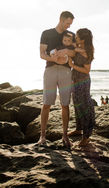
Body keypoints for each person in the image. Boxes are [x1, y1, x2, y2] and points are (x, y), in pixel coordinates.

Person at [38, 11, 75, 147]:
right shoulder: (46, 33)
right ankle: (42, 136)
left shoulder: (71, 35)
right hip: (50, 70)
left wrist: (65, 52)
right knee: (47, 103)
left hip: (66, 71)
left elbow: (74, 52)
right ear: (61, 19)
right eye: (67, 23)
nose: (69, 26)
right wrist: (51, 58)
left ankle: (65, 136)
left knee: (65, 104)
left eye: (71, 24)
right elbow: (41, 54)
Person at [68, 28, 95, 146]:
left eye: (77, 37)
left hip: (83, 82)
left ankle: (86, 136)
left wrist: (72, 65)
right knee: (77, 104)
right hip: (75, 80)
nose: (76, 39)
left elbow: (86, 70)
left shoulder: (85, 51)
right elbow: (72, 46)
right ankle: (79, 129)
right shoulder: (79, 47)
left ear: (83, 39)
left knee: (84, 107)